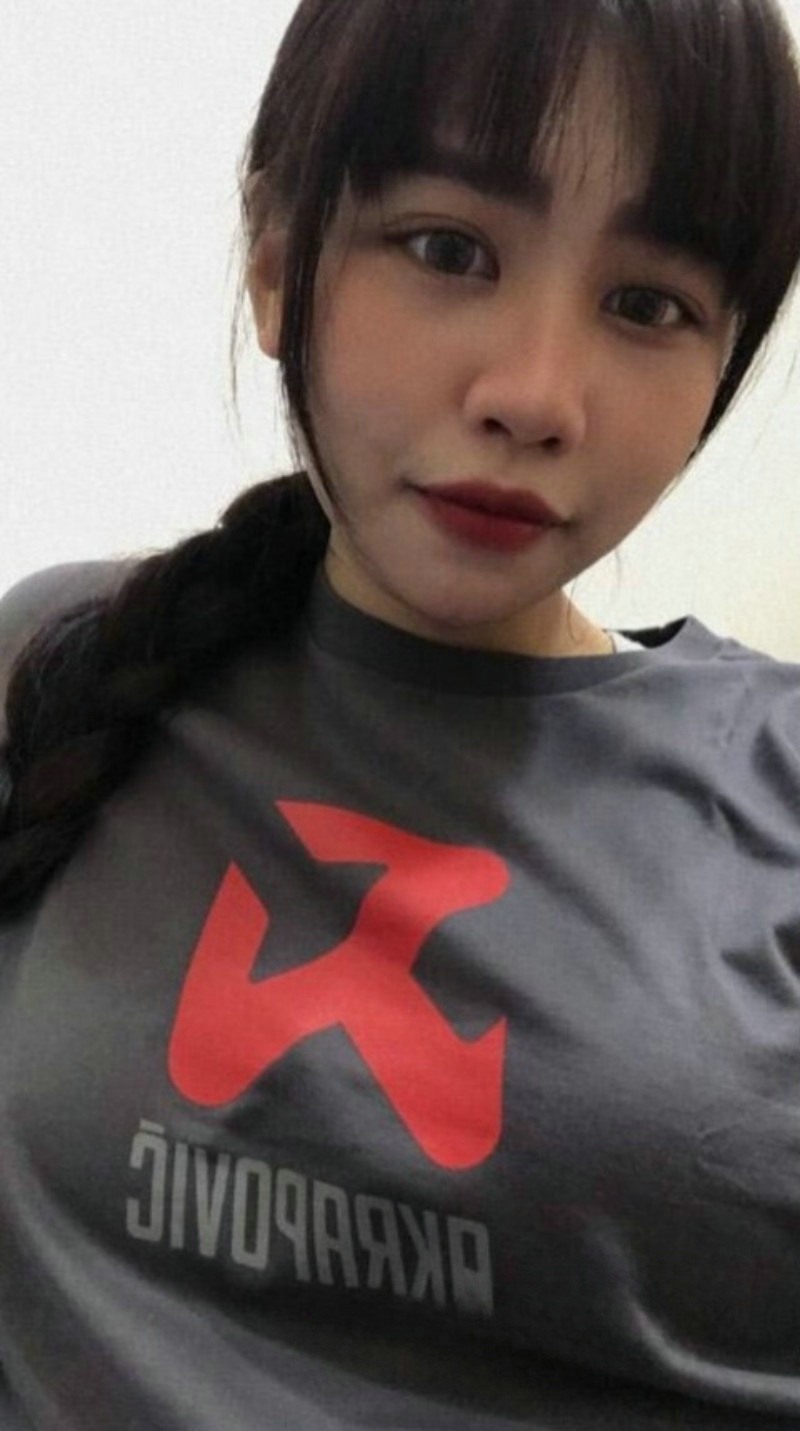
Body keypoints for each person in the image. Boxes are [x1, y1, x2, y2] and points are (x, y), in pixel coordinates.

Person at [2, 0, 800, 1425]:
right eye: (447, 250)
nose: (534, 396)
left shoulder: (778, 792)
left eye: (648, 306)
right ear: (275, 258)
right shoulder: (60, 663)